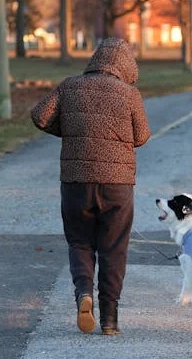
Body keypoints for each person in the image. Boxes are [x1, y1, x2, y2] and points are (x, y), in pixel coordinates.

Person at [31, 37, 151, 335]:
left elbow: (40, 116)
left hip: (76, 182)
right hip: (117, 186)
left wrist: (71, 131)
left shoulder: (69, 86)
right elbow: (141, 137)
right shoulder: (129, 94)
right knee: (114, 249)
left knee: (80, 242)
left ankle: (83, 293)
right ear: (126, 66)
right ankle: (110, 320)